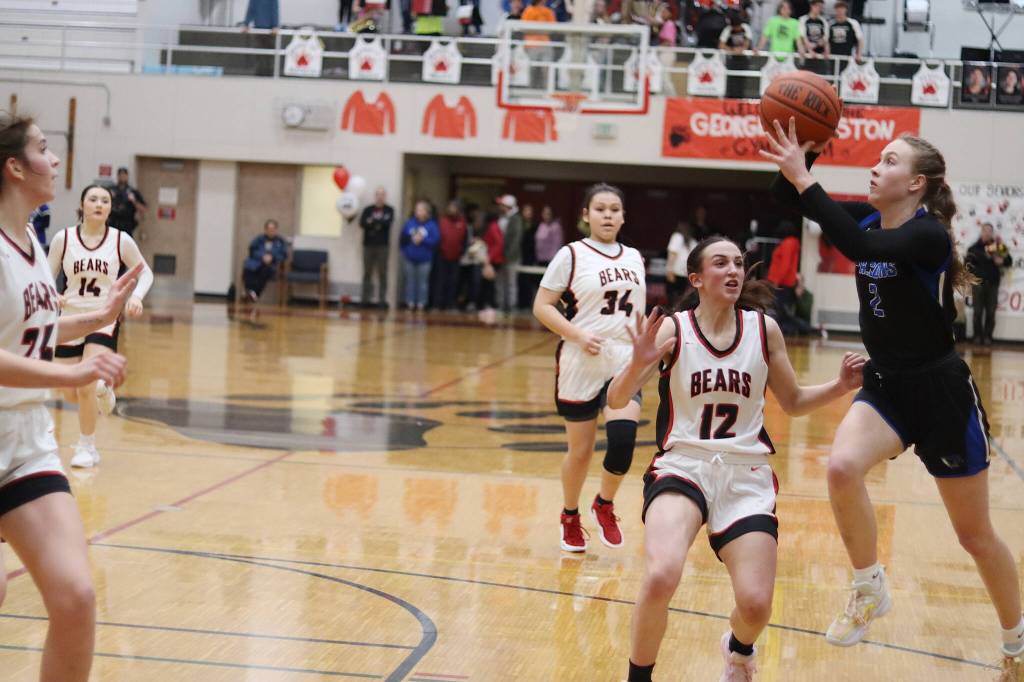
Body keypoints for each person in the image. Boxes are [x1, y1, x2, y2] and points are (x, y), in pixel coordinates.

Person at [762, 120, 1024, 679]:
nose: (875, 167)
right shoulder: (868, 217)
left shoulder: (928, 236)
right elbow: (787, 194)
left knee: (974, 536)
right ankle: (868, 588)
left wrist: (806, 175)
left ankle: (1016, 641)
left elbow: (859, 244)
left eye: (889, 160)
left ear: (917, 183)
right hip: (886, 383)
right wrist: (803, 146)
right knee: (840, 467)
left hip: (940, 392)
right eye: (877, 158)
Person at [613, 237, 865, 682]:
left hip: (746, 472)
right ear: (696, 278)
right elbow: (616, 397)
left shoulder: (763, 330)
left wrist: (840, 386)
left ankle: (739, 648)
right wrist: (636, 365)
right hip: (683, 464)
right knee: (661, 574)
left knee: (755, 604)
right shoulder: (674, 329)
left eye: (738, 263)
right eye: (720, 263)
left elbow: (793, 401)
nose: (733, 270)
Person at [0, 110, 142, 682]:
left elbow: (29, 332)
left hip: (25, 440)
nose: (55, 159)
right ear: (14, 166)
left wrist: (94, 319)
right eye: (42, 149)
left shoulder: (31, 239)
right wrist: (73, 376)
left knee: (77, 597)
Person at [533, 184, 646, 553]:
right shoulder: (571, 255)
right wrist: (578, 335)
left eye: (615, 209)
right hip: (581, 359)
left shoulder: (634, 256)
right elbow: (542, 306)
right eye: (600, 209)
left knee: (623, 443)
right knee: (580, 452)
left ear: (624, 216)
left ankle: (605, 504)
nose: (609, 215)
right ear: (586, 215)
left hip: (623, 360)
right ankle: (570, 515)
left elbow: (638, 313)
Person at [47, 184, 153, 468]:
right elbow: (45, 274)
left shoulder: (120, 240)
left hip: (103, 319)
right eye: (93, 199)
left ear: (110, 208)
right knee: (70, 389)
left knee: (86, 386)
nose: (99, 204)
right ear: (82, 205)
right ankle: (104, 390)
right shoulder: (63, 238)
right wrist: (51, 294)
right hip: (70, 319)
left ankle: (87, 447)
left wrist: (137, 297)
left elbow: (146, 273)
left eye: (105, 200)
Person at [765, 219, 815, 336]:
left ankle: (808, 329)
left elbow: (785, 265)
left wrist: (776, 281)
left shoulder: (788, 243)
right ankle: (804, 329)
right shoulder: (792, 243)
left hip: (783, 284)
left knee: (783, 313)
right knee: (782, 312)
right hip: (785, 283)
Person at [967, 223, 1012, 346]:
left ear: (992, 233)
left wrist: (1002, 261)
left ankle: (988, 337)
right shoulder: (973, 248)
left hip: (993, 285)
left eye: (989, 231)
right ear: (981, 232)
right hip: (978, 285)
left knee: (991, 313)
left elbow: (1009, 261)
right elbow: (967, 266)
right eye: (985, 230)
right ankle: (977, 336)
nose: (987, 233)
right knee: (977, 312)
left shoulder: (999, 246)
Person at [400, 201, 440, 312]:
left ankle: (421, 304)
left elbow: (435, 241)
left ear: (426, 212)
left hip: (425, 259)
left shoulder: (432, 225)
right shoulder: (410, 223)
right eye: (417, 209)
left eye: (420, 209)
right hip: (410, 257)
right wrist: (405, 251)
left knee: (423, 282)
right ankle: (410, 303)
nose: (418, 211)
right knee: (410, 281)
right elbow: (403, 239)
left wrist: (423, 240)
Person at [359, 187, 395, 308]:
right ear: (375, 196)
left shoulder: (389, 210)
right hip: (368, 245)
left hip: (383, 246)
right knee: (367, 273)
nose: (380, 197)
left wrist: (372, 222)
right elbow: (363, 223)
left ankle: (382, 300)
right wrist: (378, 222)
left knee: (382, 273)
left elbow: (387, 224)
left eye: (382, 194)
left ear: (385, 196)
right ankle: (365, 300)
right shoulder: (368, 209)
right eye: (378, 194)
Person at [241, 219, 288, 302]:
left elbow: (284, 255)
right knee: (248, 268)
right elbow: (252, 250)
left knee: (265, 270)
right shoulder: (259, 239)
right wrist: (262, 256)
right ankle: (250, 291)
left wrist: (272, 257)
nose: (271, 232)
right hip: (256, 262)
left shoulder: (280, 241)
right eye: (269, 230)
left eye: (273, 230)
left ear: (276, 230)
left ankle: (254, 293)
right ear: (265, 230)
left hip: (271, 265)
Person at [436, 200, 467, 311]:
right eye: (450, 207)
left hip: (456, 257)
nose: (451, 209)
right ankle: (438, 304)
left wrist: (462, 251)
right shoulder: (442, 221)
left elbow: (464, 240)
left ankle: (450, 304)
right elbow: (437, 238)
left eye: (454, 207)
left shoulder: (463, 222)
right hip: (442, 255)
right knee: (441, 280)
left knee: (453, 282)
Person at [497, 194, 524, 313]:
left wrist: (507, 256)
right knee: (501, 282)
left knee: (511, 283)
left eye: (502, 205)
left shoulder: (516, 219)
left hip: (511, 257)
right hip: (500, 256)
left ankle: (511, 306)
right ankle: (501, 305)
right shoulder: (502, 217)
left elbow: (515, 240)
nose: (500, 207)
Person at [108, 167, 146, 239]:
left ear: (127, 176)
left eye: (124, 175)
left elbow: (143, 209)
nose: (122, 177)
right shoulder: (111, 190)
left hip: (127, 224)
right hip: (113, 223)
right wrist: (109, 197)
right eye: (120, 175)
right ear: (118, 176)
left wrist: (133, 201)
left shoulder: (133, 191)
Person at [665, 220, 695, 308]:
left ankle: (672, 315)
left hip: (675, 272)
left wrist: (669, 269)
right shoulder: (692, 241)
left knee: (672, 299)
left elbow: (672, 253)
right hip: (685, 274)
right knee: (681, 298)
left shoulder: (677, 236)